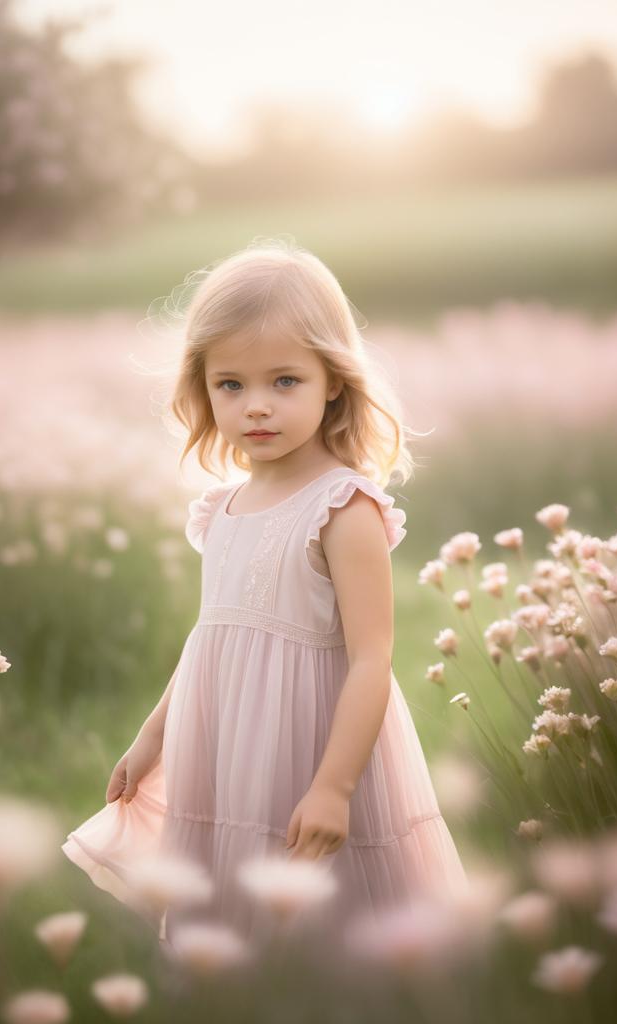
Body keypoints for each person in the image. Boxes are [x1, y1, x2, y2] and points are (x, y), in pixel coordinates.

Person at [62, 238, 467, 950]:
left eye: (285, 381)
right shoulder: (220, 510)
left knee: (325, 919)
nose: (256, 408)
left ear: (333, 380)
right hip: (223, 751)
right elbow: (210, 638)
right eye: (232, 385)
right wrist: (153, 736)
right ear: (204, 387)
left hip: (314, 748)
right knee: (230, 911)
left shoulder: (344, 508)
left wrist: (335, 787)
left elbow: (373, 659)